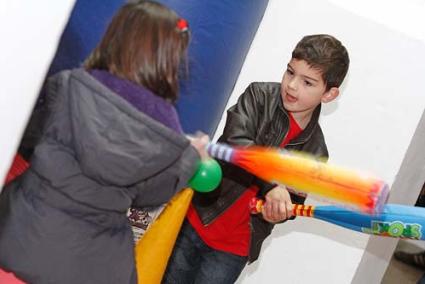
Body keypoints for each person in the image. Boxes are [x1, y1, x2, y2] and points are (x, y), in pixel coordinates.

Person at [0, 1, 209, 283]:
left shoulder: (69, 85)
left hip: (20, 234)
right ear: (170, 60)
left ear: (116, 38)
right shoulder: (167, 130)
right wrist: (190, 158)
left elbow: (30, 141)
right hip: (92, 264)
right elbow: (151, 197)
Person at [164, 34, 350, 283]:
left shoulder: (316, 153)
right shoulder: (259, 95)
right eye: (290, 72)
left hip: (235, 248)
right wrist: (272, 184)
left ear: (329, 94)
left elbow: (292, 202)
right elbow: (236, 141)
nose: (292, 85)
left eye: (307, 82)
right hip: (196, 219)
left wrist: (278, 212)